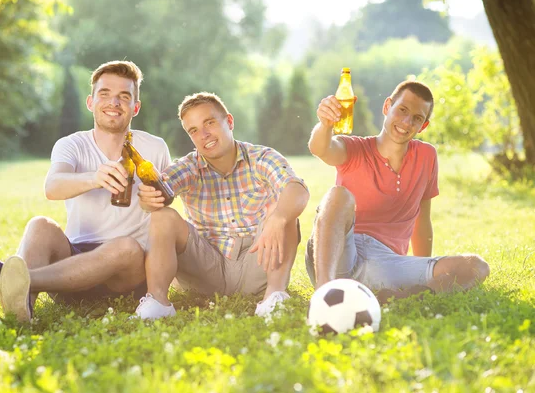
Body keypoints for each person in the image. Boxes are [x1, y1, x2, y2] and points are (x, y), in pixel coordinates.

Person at [0, 60, 172, 322]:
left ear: (135, 107)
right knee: (39, 225)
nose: (113, 103)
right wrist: (94, 178)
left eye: (123, 97)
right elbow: (52, 186)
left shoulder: (155, 147)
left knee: (126, 247)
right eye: (104, 94)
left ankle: (12, 279)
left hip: (125, 273)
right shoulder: (71, 144)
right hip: (71, 268)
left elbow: (167, 203)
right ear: (90, 102)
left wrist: (154, 202)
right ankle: (21, 309)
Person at [306, 80, 490, 300]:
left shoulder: (426, 156)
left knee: (476, 266)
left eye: (416, 118)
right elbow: (320, 148)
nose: (406, 121)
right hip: (340, 255)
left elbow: (422, 220)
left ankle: (408, 298)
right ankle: (324, 293)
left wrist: (423, 269)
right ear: (387, 107)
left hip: (386, 264)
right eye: (402, 110)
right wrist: (325, 125)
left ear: (423, 126)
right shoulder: (355, 149)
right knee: (338, 195)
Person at [132, 92, 309, 320]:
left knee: (284, 212)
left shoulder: (261, 157)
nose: (204, 134)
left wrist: (278, 218)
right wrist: (148, 199)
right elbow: (161, 189)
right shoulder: (188, 167)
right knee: (161, 216)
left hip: (256, 262)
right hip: (206, 268)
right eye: (194, 130)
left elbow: (297, 188)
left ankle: (273, 298)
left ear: (230, 122)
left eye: (210, 123)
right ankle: (158, 302)